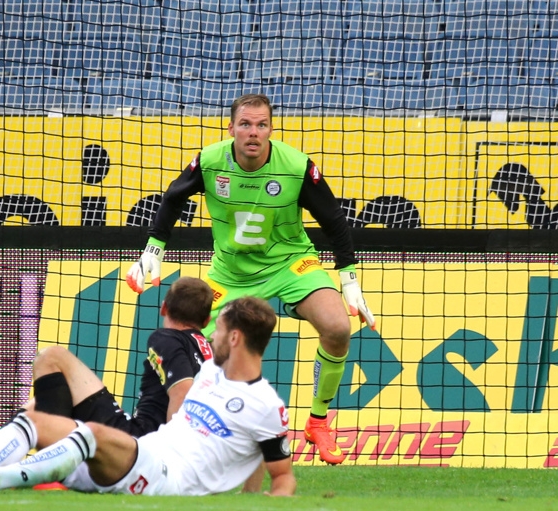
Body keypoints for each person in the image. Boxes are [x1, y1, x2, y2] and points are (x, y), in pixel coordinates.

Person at [124, 93, 375, 466]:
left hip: (292, 265)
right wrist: (152, 251)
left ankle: (318, 422)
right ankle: (150, 433)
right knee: (190, 348)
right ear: (231, 129)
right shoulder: (210, 161)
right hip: (230, 273)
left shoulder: (295, 166)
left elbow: (334, 221)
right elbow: (174, 197)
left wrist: (349, 281)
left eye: (261, 125)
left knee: (338, 326)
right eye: (245, 124)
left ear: (271, 130)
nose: (253, 133)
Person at [0, 296, 296, 497]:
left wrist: (261, 499)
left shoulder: (266, 406)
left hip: (165, 480)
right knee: (34, 420)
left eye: (218, 330)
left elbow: (281, 475)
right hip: (145, 454)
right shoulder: (212, 370)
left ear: (234, 337)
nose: (209, 336)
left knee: (92, 433)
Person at [0, 276, 215, 492]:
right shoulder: (207, 347)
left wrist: (171, 456)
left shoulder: (167, 338)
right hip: (141, 437)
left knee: (51, 359)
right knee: (39, 404)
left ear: (163, 308)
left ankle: (46, 469)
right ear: (204, 321)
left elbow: (182, 396)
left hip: (138, 444)